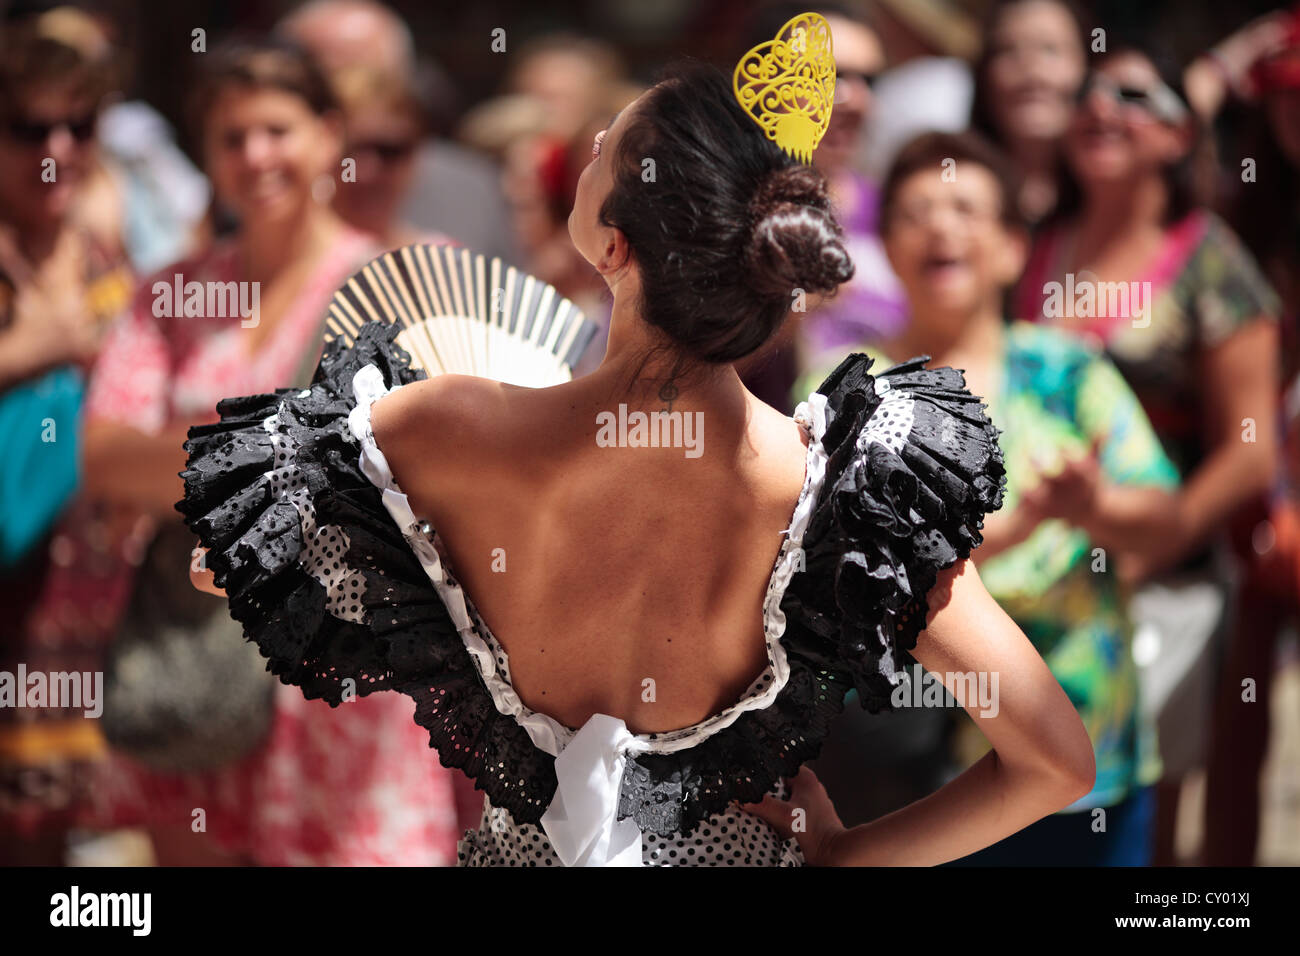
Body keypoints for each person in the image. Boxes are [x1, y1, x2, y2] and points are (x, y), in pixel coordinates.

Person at [186, 54, 1095, 867]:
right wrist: (850, 860)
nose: (588, 139)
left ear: (614, 246)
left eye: (605, 146)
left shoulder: (440, 430)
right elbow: (1054, 763)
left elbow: (229, 558)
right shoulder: (845, 492)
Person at [78, 37, 461, 867]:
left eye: (278, 129)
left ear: (329, 134)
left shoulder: (408, 283)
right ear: (206, 154)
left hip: (357, 683)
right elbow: (106, 454)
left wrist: (192, 461)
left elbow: (444, 468)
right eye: (232, 136)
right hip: (203, 669)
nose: (257, 155)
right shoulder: (172, 294)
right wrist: (296, 449)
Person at [847, 131, 1181, 864]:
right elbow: (871, 563)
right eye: (916, 211)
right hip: (937, 790)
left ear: (1009, 247)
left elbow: (1167, 522)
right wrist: (1030, 522)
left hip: (1098, 758)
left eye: (966, 208)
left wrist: (1096, 509)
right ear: (887, 246)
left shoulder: (1068, 372)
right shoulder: (861, 392)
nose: (942, 226)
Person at [1014, 39, 1281, 864]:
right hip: (1035, 585)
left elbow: (1250, 448)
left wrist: (1150, 543)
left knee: (1142, 822)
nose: (1101, 107)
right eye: (1091, 92)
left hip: (1165, 590)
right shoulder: (1034, 245)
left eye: (1134, 98)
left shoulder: (1212, 264)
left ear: (1176, 138)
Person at [0, 5, 137, 865]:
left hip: (84, 604)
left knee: (57, 842)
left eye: (77, 124)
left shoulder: (104, 256)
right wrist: (42, 347)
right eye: (26, 126)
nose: (57, 146)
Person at [971, 0, 1089, 227]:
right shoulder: (952, 185)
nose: (1031, 68)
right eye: (1008, 50)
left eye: (1050, 49)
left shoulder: (1113, 200)